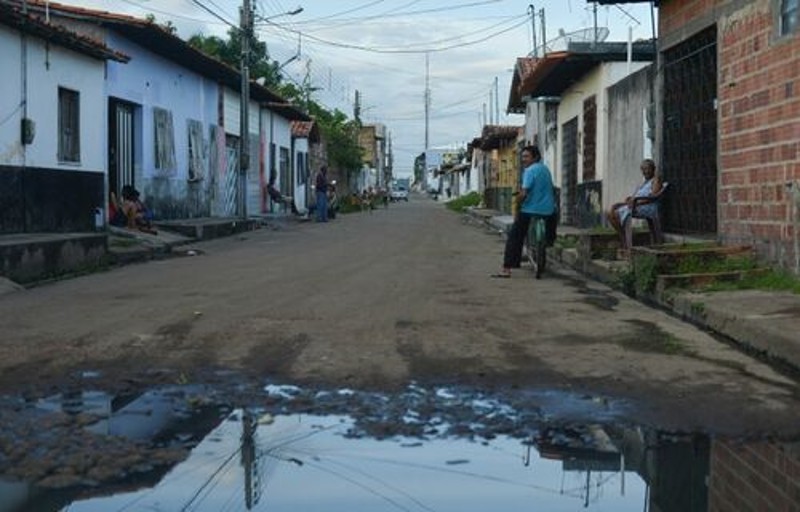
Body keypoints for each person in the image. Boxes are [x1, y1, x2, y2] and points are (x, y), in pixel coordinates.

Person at [492, 145, 555, 278]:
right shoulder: (545, 169)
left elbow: (524, 193)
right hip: (548, 210)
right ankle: (548, 241)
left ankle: (507, 268)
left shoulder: (529, 171)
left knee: (514, 236)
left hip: (530, 210)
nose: (523, 159)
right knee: (552, 222)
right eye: (523, 156)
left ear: (535, 157)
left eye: (526, 156)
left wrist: (517, 206)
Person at [606, 158, 662, 253]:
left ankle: (626, 242)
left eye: (648, 169)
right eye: (643, 169)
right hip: (636, 205)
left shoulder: (656, 180)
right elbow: (634, 197)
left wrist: (636, 203)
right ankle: (623, 236)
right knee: (610, 211)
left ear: (653, 169)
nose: (646, 171)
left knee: (616, 213)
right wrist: (628, 201)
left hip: (647, 207)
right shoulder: (643, 183)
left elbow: (653, 197)